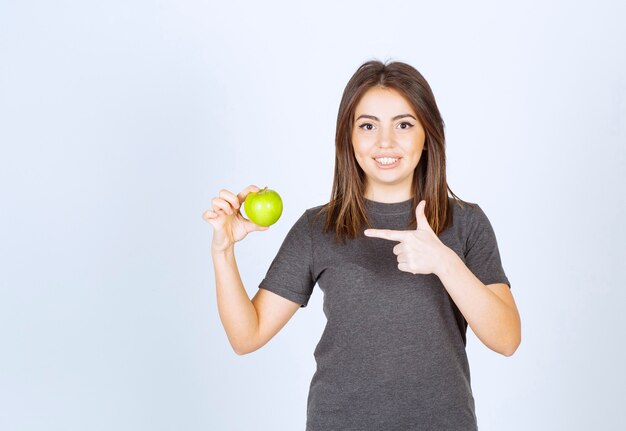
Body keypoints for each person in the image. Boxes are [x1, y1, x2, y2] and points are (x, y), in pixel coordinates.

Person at [203, 59, 521, 430]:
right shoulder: (318, 227)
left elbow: (507, 338)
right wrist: (223, 249)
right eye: (368, 126)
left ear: (427, 136)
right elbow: (246, 337)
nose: (385, 142)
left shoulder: (465, 222)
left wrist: (445, 263)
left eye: (404, 125)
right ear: (349, 137)